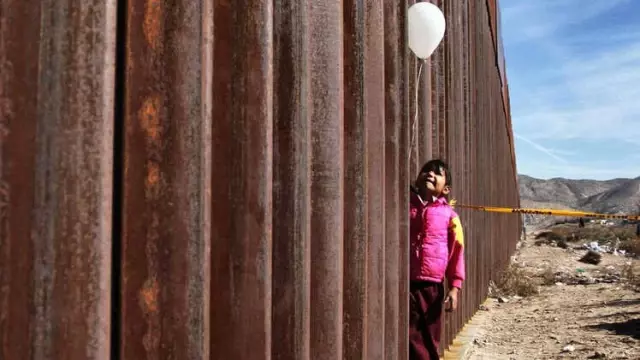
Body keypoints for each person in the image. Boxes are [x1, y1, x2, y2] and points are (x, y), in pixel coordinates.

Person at [409, 159, 465, 360]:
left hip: (432, 286)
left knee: (430, 337)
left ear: (446, 189)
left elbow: (457, 251)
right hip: (407, 283)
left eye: (437, 173)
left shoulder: (449, 215)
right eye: (425, 171)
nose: (430, 175)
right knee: (410, 336)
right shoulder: (406, 206)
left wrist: (455, 286)